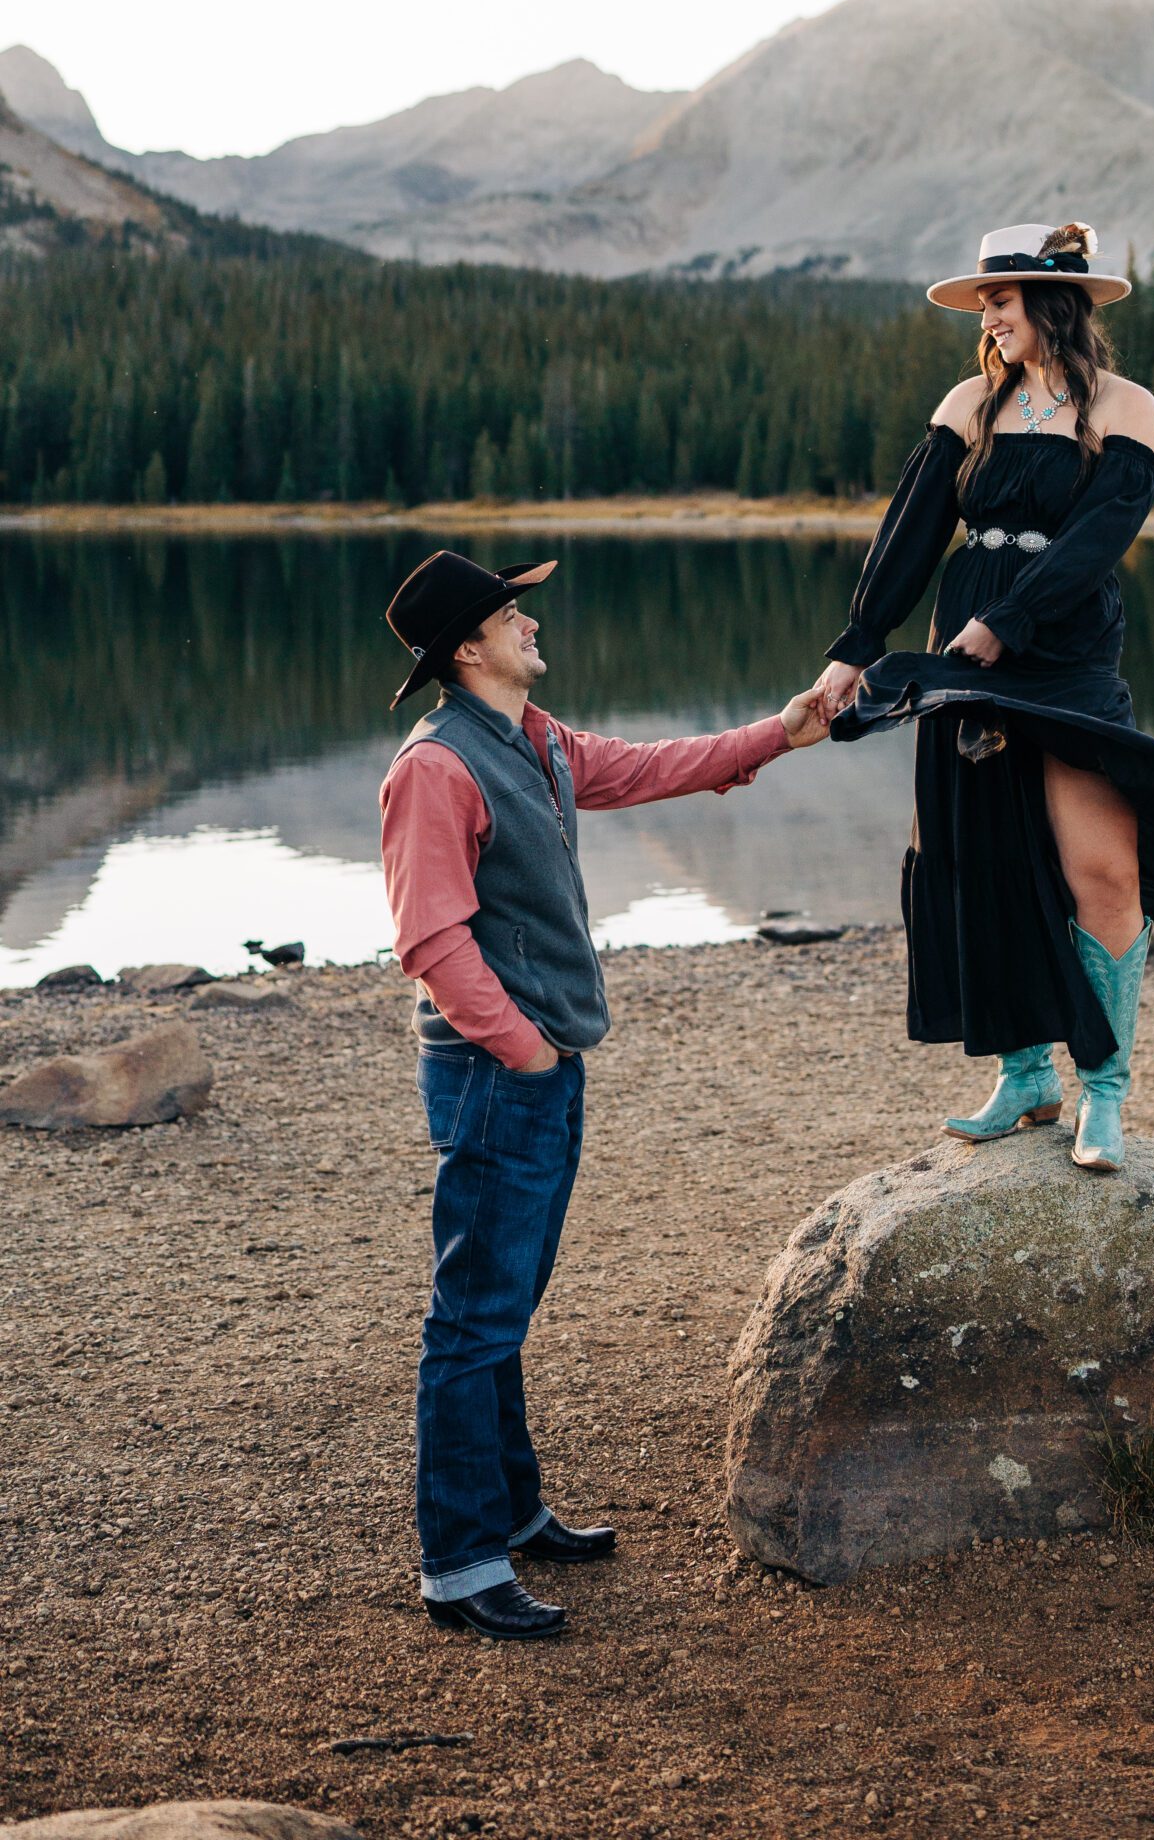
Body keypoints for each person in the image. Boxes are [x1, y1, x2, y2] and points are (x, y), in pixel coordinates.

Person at [378, 546, 826, 1643]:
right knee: (472, 1318)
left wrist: (785, 729)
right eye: (509, 613)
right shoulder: (436, 767)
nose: (531, 622)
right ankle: (460, 1563)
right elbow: (431, 938)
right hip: (498, 1074)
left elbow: (650, 766)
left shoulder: (535, 740)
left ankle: (514, 1510)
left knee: (504, 1305)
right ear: (469, 648)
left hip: (538, 1066)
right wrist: (526, 1051)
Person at [813, 220, 1154, 1173]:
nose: (988, 318)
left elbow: (1103, 535)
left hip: (1062, 648)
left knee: (1101, 870)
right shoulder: (970, 401)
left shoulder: (1124, 407)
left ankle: (1104, 1091)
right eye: (983, 304)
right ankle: (1024, 1074)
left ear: (1050, 303)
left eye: (1001, 300)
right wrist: (856, 646)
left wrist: (1007, 623)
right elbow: (910, 533)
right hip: (960, 652)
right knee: (973, 858)